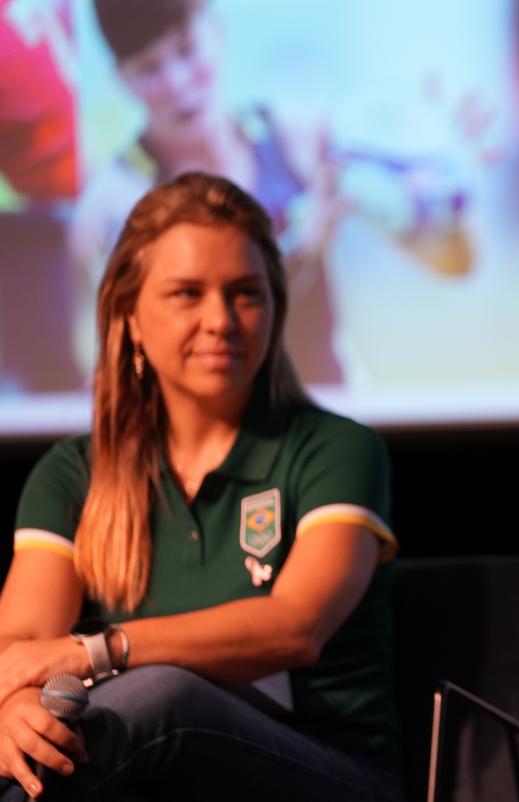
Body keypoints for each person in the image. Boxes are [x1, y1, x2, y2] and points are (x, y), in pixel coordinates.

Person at [0, 172, 402, 800]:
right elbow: (19, 646)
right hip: (138, 770)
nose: (220, 319)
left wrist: (95, 653)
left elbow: (296, 626)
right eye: (188, 294)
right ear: (130, 317)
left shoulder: (337, 449)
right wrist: (15, 711)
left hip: (328, 772)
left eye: (245, 293)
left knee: (163, 699)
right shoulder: (72, 473)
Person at [70, 0, 476, 386]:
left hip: (333, 437)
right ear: (122, 79)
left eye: (187, 50)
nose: (176, 83)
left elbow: (455, 263)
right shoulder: (117, 207)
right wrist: (298, 254)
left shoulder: (298, 142)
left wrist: (438, 180)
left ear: (218, 32)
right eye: (149, 68)